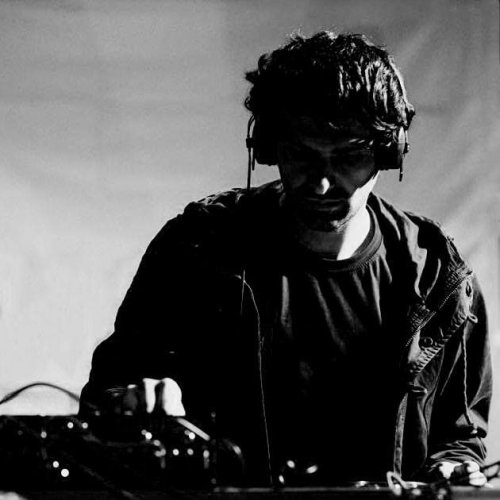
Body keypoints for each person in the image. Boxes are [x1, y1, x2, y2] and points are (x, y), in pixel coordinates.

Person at [80, 31, 492, 487]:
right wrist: (134, 404)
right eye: (302, 155)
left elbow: (460, 436)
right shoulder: (197, 248)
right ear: (269, 148)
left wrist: (453, 467)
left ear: (388, 152)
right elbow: (105, 401)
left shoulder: (437, 276)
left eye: (348, 157)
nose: (322, 183)